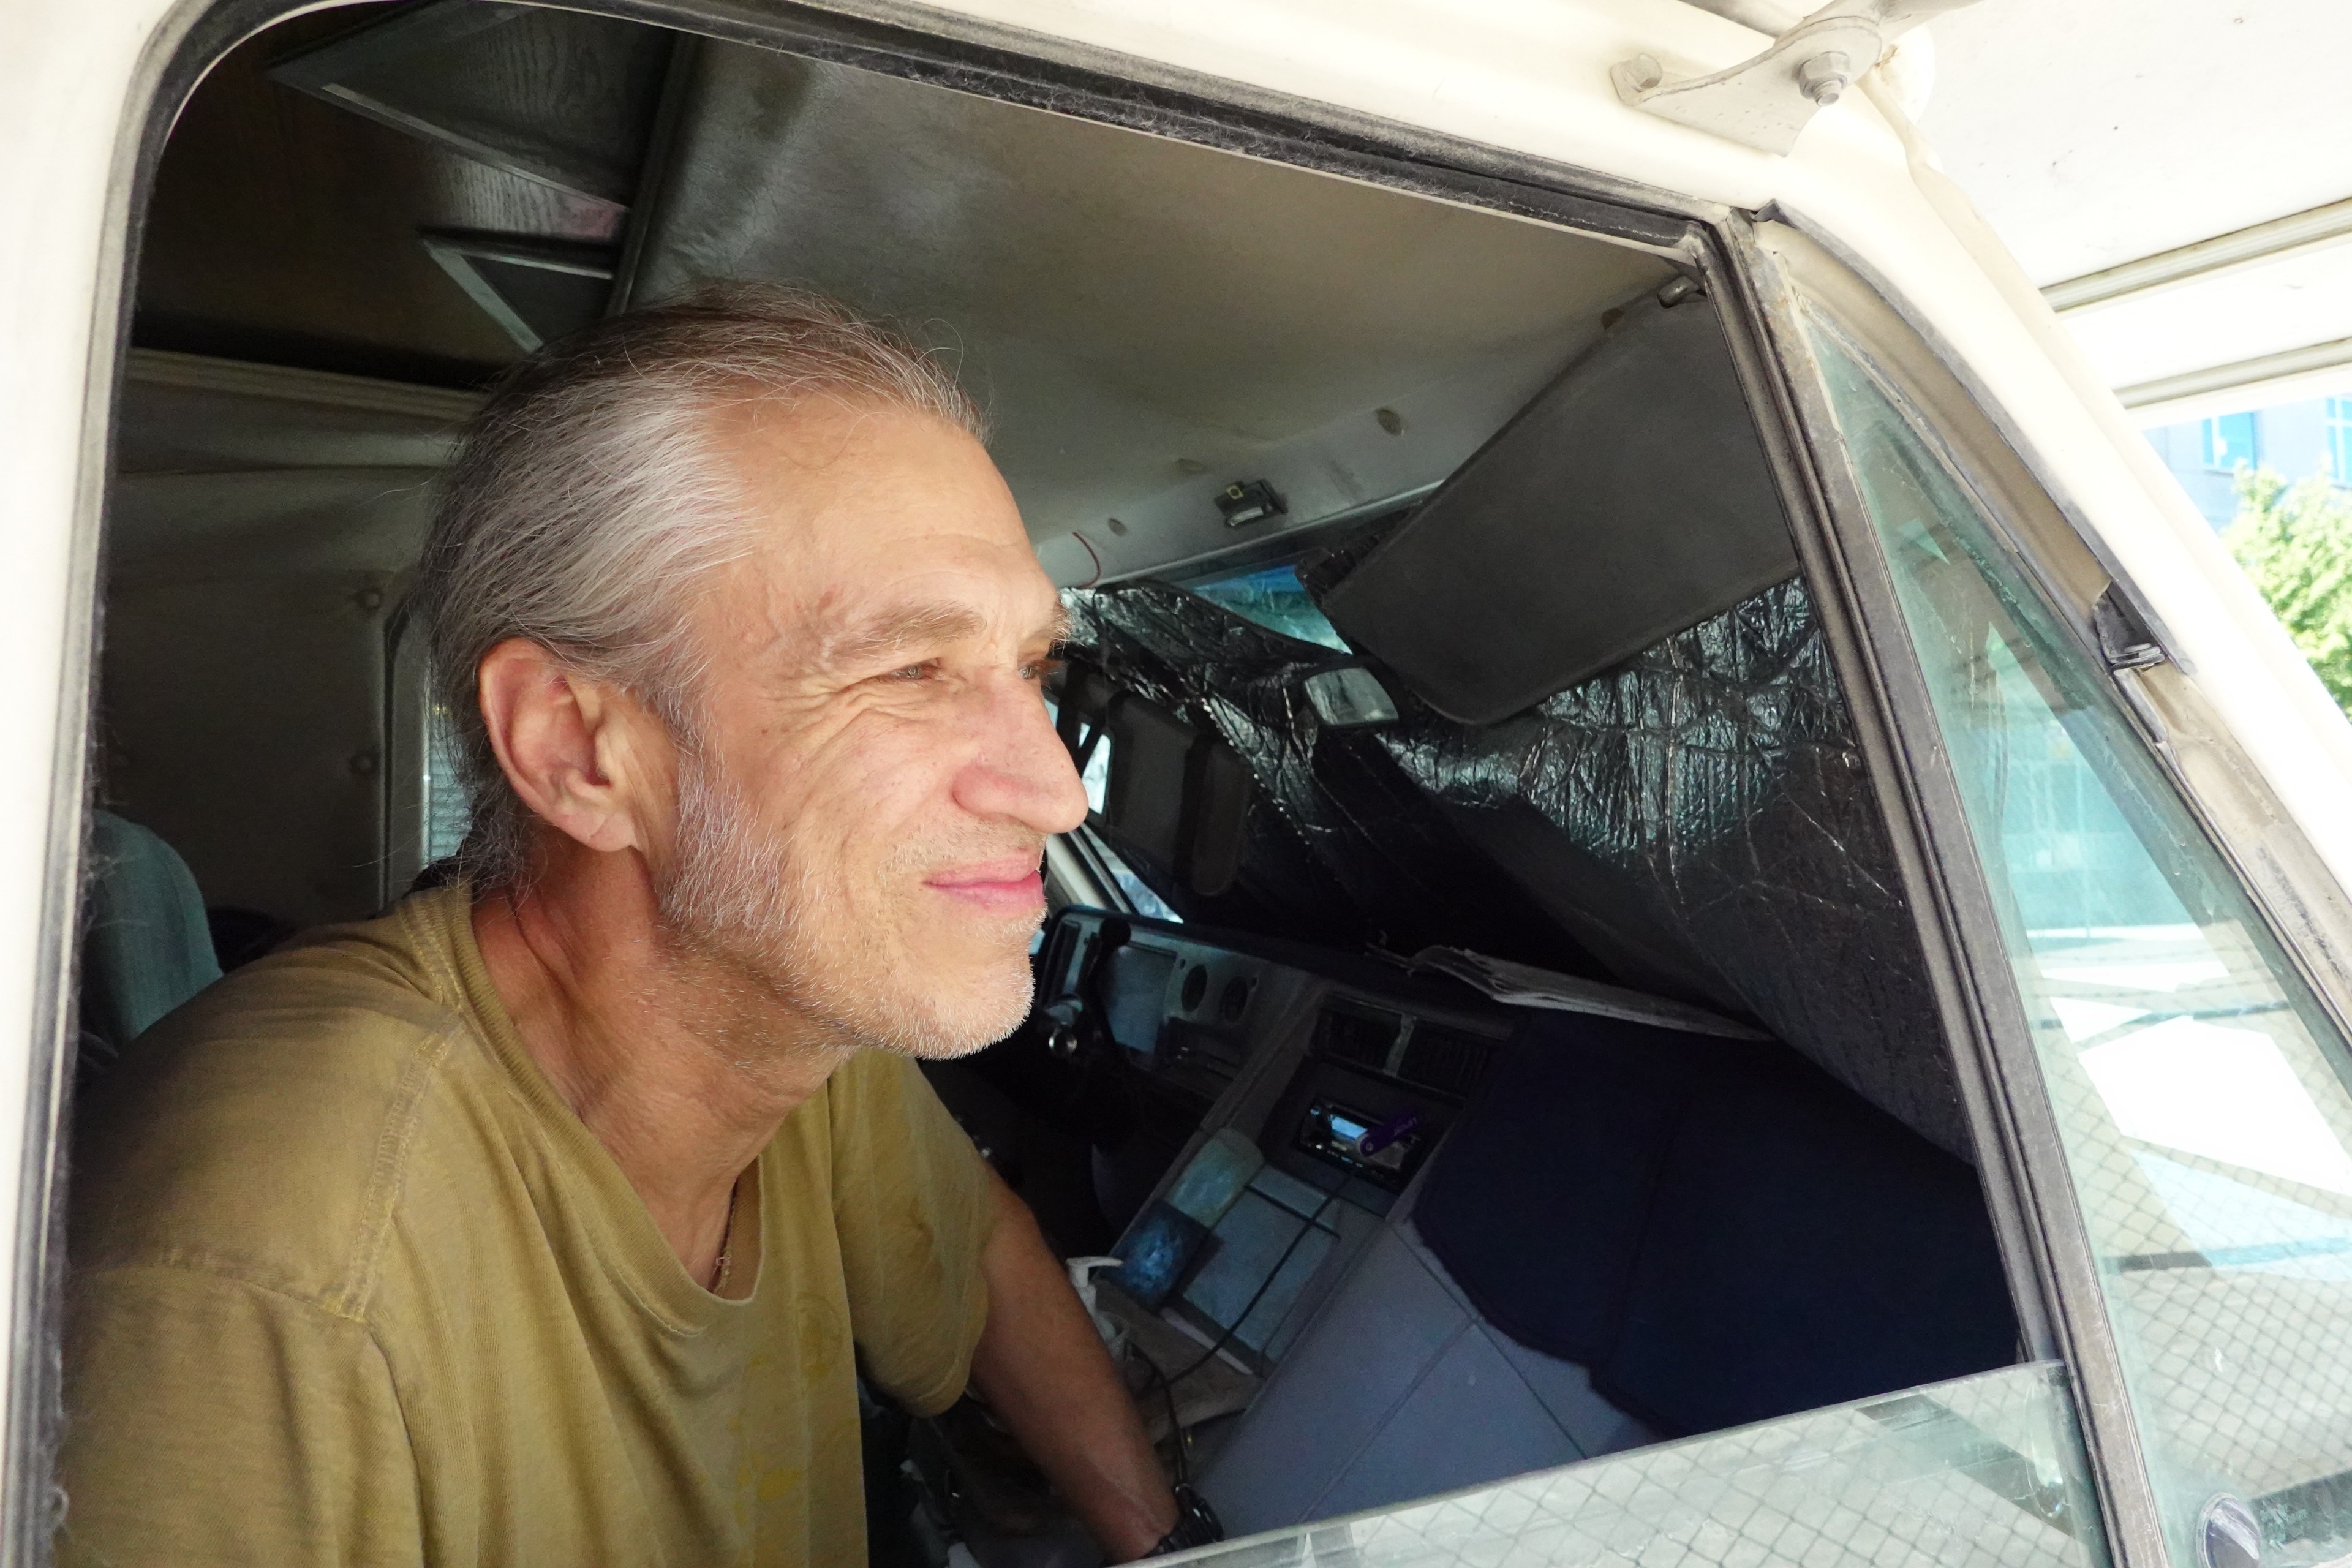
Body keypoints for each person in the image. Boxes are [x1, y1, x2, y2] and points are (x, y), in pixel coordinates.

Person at [59, 285, 1200, 1566]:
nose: (1053, 788)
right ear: (576, 749)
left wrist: (1169, 1546)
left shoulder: (784, 1033)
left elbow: (978, 1243)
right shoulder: (267, 1279)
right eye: (910, 670)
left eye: (1034, 670)